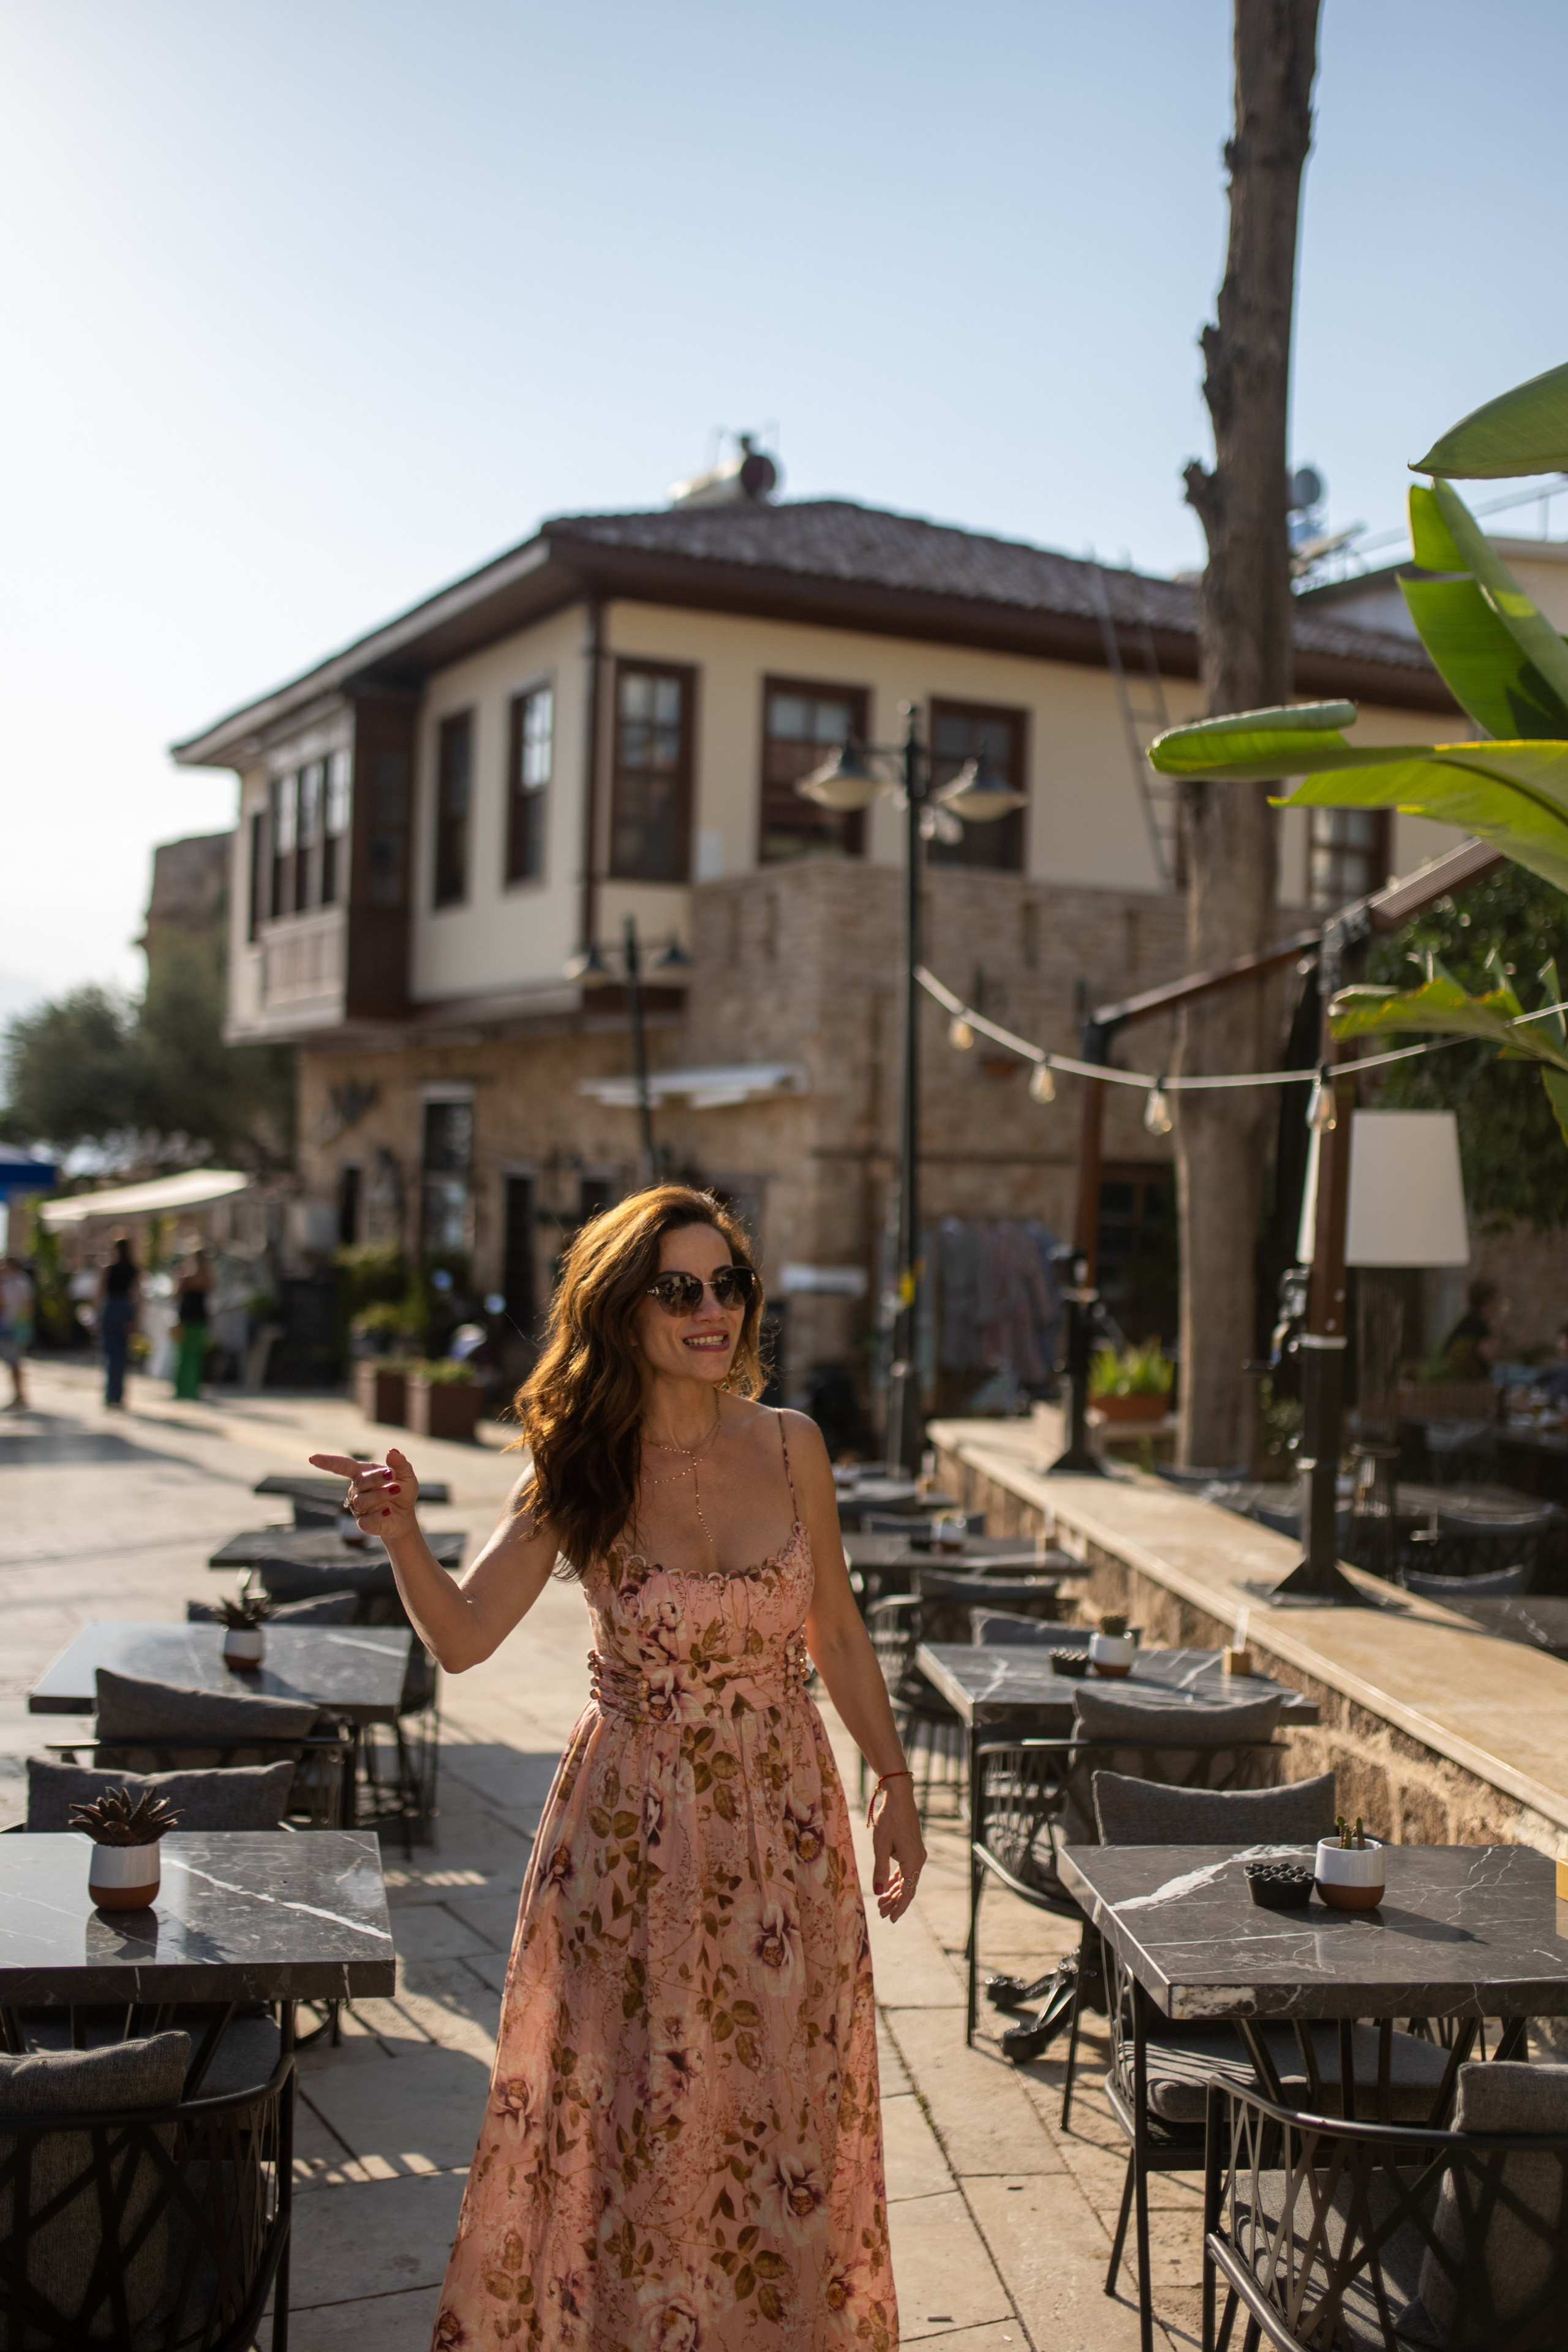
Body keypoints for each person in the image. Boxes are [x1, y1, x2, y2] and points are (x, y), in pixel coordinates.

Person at [312, 1186, 919, 2351]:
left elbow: (834, 1629)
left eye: (728, 1284)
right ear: (620, 1306)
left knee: (777, 2115)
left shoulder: (795, 1446)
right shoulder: (577, 1458)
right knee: (637, 2119)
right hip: (628, 1844)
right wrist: (401, 1541)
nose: (711, 1312)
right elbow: (463, 1634)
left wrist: (891, 1785)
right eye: (678, 1289)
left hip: (786, 1838)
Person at [97, 1237, 140, 1408]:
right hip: (125, 1310)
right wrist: (135, 1318)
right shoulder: (133, 1268)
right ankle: (118, 1395)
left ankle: (111, 1395)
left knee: (110, 1355)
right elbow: (137, 1295)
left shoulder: (109, 1267)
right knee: (121, 1356)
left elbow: (99, 1292)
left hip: (112, 1308)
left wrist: (96, 1316)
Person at [1437, 1276, 1504, 1382]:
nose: (1499, 1304)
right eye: (1495, 1299)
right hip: (1468, 1386)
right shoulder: (1475, 1324)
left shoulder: (1469, 1321)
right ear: (1487, 1302)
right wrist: (1498, 1330)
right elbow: (1489, 1356)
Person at [173, 1250, 211, 1401]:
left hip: (188, 1318)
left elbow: (175, 1295)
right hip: (197, 1318)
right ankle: (190, 1390)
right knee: (193, 1356)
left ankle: (183, 1390)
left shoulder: (187, 1277)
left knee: (185, 1356)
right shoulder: (205, 1278)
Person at [0, 1254, 36, 1412]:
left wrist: (24, 1326)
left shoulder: (20, 1282)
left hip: (14, 1326)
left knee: (14, 1362)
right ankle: (19, 1394)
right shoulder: (7, 1282)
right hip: (7, 1325)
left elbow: (28, 1305)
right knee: (13, 1362)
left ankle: (20, 1395)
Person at [1536, 1322, 1568, 1411]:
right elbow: (1538, 1381)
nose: (1560, 1346)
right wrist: (1523, 1389)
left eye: (1562, 1340)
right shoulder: (1561, 1369)